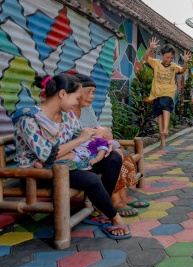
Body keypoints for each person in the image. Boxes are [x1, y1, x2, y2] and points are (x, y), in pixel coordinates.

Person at [13, 74, 130, 239]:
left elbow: (82, 136)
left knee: (113, 158)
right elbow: (46, 155)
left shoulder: (67, 115)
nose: (77, 102)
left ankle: (102, 208)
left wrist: (102, 144)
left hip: (66, 164)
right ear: (62, 94)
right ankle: (115, 218)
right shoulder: (29, 119)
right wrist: (81, 140)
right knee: (90, 179)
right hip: (38, 173)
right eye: (76, 97)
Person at [72, 73, 147, 217]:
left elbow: (99, 131)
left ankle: (122, 197)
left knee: (120, 153)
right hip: (83, 154)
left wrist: (109, 142)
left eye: (93, 92)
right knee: (115, 155)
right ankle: (115, 200)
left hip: (94, 149)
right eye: (88, 93)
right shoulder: (67, 112)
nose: (92, 96)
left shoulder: (87, 110)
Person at [143, 37, 191, 149]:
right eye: (167, 57)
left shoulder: (174, 67)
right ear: (161, 55)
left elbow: (183, 70)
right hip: (156, 93)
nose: (169, 60)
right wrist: (150, 48)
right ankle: (163, 140)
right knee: (159, 115)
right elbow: (145, 58)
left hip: (168, 92)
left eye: (171, 58)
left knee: (166, 108)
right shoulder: (156, 63)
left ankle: (165, 129)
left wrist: (185, 62)